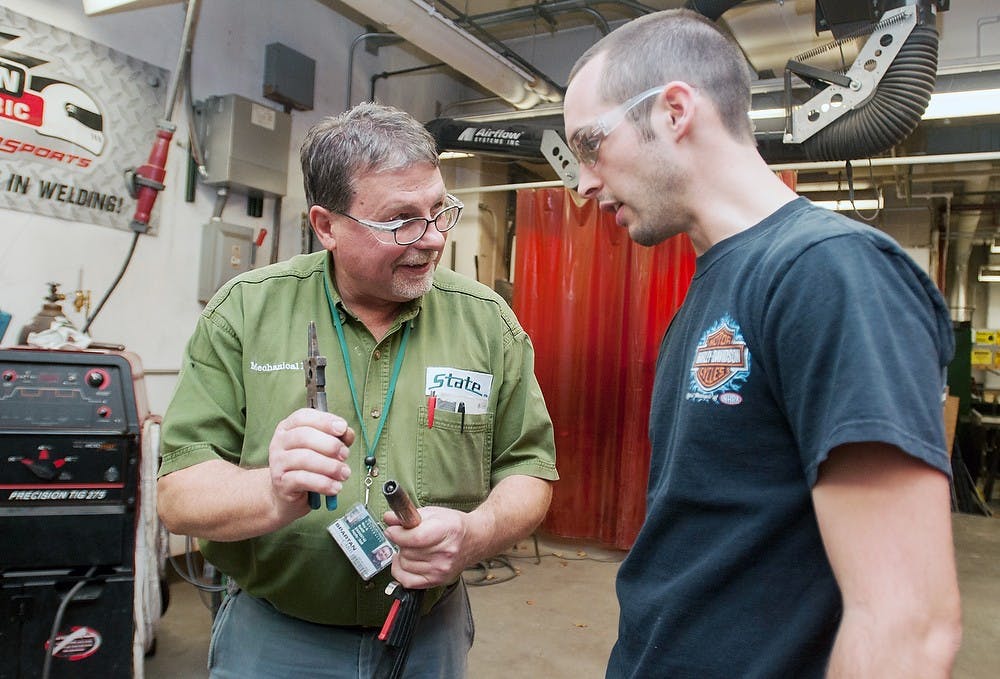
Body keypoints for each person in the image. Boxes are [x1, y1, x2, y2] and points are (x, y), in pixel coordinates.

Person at [562, 9, 962, 679]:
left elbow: (906, 626)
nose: (583, 182)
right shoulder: (714, 285)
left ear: (674, 111)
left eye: (591, 143)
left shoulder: (829, 272)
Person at [157, 101, 558, 678]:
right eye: (400, 221)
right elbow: (177, 495)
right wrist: (271, 493)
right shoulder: (245, 313)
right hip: (277, 642)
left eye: (439, 211)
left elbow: (530, 469)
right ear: (327, 226)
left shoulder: (486, 322)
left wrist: (476, 533)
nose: (431, 239)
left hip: (427, 637)